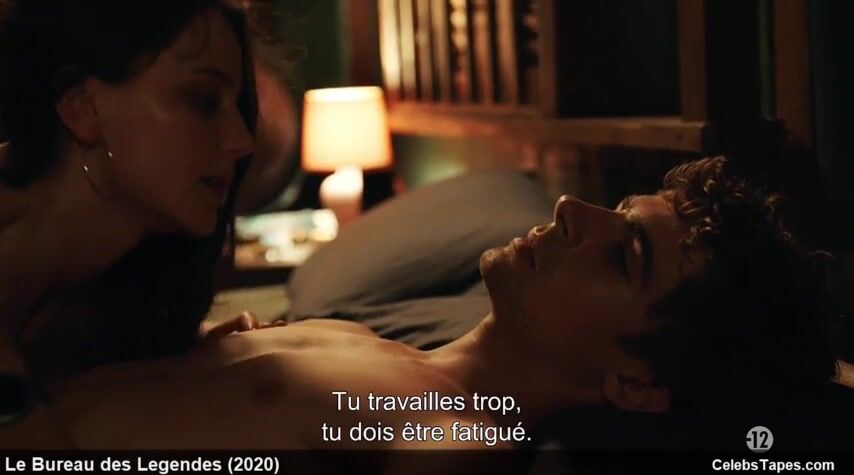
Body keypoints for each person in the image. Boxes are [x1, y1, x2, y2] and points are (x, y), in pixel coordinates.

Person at [49, 157, 841, 466]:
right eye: (614, 208)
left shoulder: (455, 442)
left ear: (634, 382)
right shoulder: (365, 339)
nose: (571, 210)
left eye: (623, 255)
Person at [0, 0, 268, 446]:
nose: (241, 141)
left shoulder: (123, 277)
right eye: (204, 100)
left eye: (236, 106)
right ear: (83, 108)